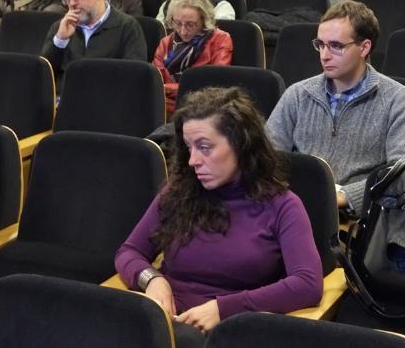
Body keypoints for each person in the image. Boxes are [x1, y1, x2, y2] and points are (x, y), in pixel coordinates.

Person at [115, 87, 323, 346]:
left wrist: (224, 308)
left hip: (231, 333)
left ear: (241, 145)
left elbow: (307, 284)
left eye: (205, 147)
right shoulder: (178, 193)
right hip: (164, 323)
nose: (193, 160)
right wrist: (153, 280)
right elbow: (129, 252)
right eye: (189, 148)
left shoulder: (282, 205)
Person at [266, 0, 405, 214]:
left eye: (336, 46)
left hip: (360, 217)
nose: (324, 55)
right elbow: (266, 158)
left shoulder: (398, 99)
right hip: (294, 208)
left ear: (364, 47)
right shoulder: (298, 94)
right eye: (320, 44)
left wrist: (344, 197)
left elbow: (404, 173)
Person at [41, 0, 146, 81]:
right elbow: (44, 76)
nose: (72, 3)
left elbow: (135, 76)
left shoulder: (127, 27)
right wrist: (60, 41)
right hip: (66, 96)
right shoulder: (60, 28)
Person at [153, 0, 233, 112]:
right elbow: (155, 82)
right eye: (177, 23)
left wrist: (167, 89)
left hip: (202, 108)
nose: (183, 31)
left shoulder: (220, 39)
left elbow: (213, 87)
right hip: (164, 106)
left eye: (190, 25)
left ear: (204, 20)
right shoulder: (166, 42)